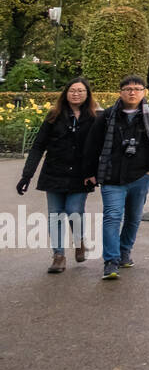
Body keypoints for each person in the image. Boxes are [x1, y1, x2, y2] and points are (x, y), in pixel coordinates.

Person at [83, 75, 149, 280]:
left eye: (137, 88)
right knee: (112, 217)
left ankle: (124, 253)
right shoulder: (106, 117)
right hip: (112, 176)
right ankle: (110, 261)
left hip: (141, 175)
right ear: (120, 92)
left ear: (144, 92)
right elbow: (92, 146)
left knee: (133, 217)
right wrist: (90, 172)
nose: (133, 92)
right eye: (128, 88)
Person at [16, 77, 101, 273]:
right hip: (54, 172)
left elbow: (100, 147)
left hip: (81, 174)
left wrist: (96, 173)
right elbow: (38, 146)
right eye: (72, 90)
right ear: (65, 93)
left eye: (80, 91)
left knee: (73, 210)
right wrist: (26, 175)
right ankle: (58, 256)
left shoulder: (95, 117)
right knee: (55, 215)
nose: (76, 94)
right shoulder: (54, 115)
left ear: (87, 94)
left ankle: (79, 241)